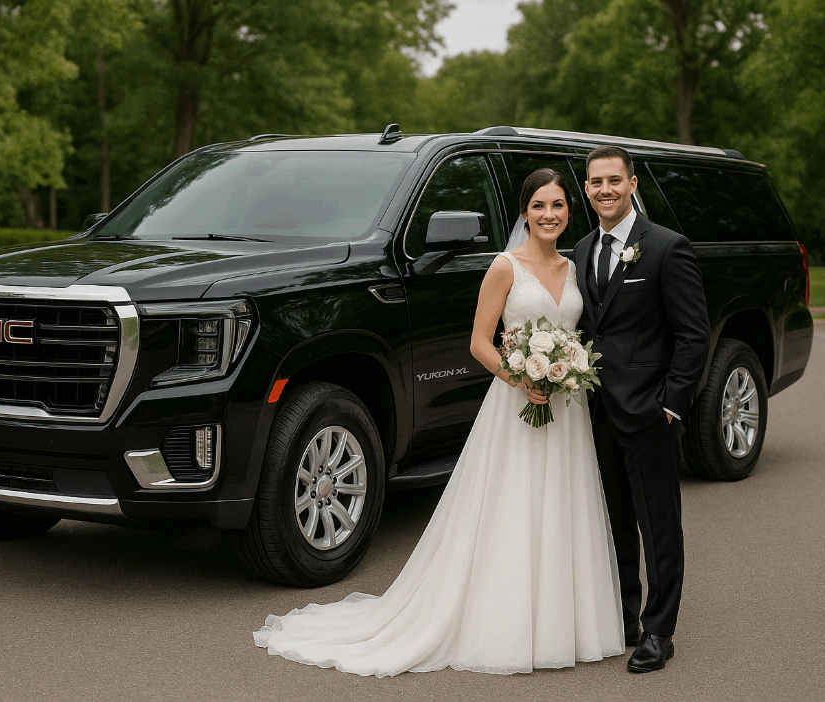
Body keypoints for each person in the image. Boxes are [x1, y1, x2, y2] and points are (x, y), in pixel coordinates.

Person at [253, 169, 625, 677]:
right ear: (524, 212)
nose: (549, 215)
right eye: (539, 206)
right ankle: (509, 622)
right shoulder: (504, 266)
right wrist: (522, 375)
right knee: (512, 509)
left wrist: (566, 369)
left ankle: (565, 622)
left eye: (558, 205)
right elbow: (478, 342)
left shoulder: (576, 266)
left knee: (564, 505)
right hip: (517, 403)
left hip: (566, 409)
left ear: (569, 211)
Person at [540, 145, 710, 673]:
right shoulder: (584, 248)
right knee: (613, 521)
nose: (604, 189)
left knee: (659, 526)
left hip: (650, 414)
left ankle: (661, 631)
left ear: (633, 184)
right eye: (595, 182)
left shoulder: (666, 247)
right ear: (586, 190)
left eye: (615, 180)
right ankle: (626, 616)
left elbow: (693, 336)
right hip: (595, 414)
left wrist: (672, 406)